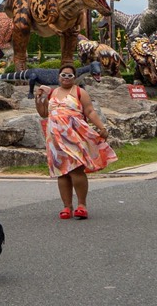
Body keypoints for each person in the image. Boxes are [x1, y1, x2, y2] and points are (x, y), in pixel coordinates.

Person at [37, 64, 117, 219]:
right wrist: (38, 98)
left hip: (74, 136)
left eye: (70, 76)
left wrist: (101, 127)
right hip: (55, 138)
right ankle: (67, 206)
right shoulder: (52, 93)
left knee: (76, 170)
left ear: (74, 78)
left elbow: (90, 111)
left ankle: (82, 205)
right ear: (58, 77)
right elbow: (44, 113)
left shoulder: (80, 92)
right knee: (62, 172)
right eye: (63, 75)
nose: (66, 78)